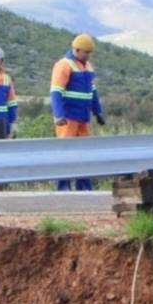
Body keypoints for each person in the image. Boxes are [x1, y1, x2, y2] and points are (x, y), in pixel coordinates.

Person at [50, 33, 105, 190]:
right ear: (77, 49)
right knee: (65, 153)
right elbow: (55, 92)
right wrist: (58, 115)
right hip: (68, 118)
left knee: (84, 153)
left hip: (83, 117)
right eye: (86, 52)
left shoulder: (87, 66)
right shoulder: (64, 65)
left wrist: (98, 111)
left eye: (90, 53)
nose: (88, 56)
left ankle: (84, 186)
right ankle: (63, 187)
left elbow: (92, 90)